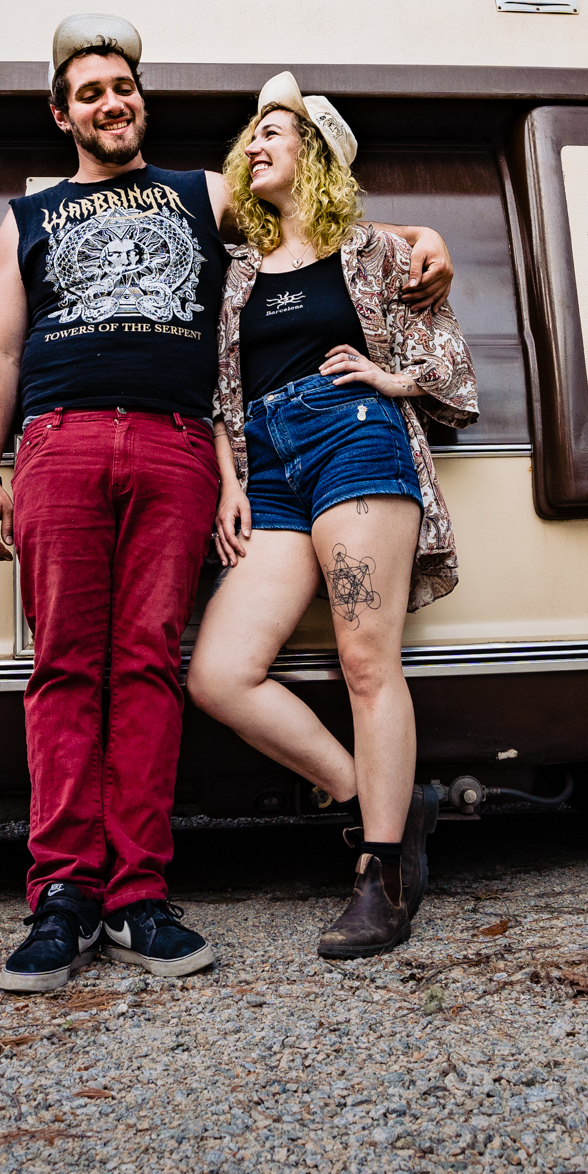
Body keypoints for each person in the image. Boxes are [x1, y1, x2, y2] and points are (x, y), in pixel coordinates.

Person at [0, 18, 457, 993]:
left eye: (124, 85)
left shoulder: (202, 194)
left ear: (140, 98)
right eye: (90, 91)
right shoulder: (38, 218)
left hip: (252, 444)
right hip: (127, 447)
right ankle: (70, 890)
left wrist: (423, 235)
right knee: (131, 669)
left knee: (186, 666)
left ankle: (195, 887)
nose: (112, 101)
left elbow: (342, 230)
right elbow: (1, 353)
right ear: (61, 112)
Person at [188, 74, 479, 960]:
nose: (255, 143)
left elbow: (452, 362)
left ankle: (380, 870)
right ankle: (378, 797)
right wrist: (230, 480)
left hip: (355, 439)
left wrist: (395, 381)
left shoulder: (373, 252)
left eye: (275, 130)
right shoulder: (238, 273)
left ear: (312, 154)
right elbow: (220, 396)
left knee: (365, 659)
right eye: (254, 133)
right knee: (219, 673)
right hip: (269, 464)